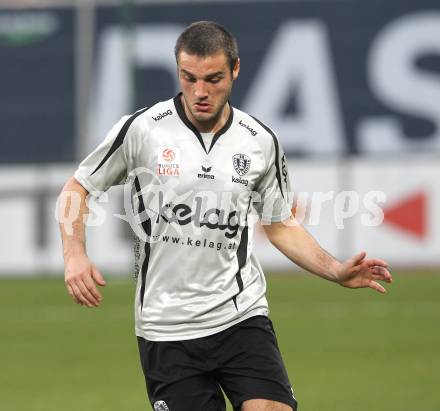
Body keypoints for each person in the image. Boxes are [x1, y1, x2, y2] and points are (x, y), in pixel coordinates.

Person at [58, 21, 392, 411]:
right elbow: (77, 189)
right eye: (189, 78)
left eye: (213, 78)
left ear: (235, 69)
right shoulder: (143, 130)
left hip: (240, 316)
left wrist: (335, 270)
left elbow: (280, 223)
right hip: (166, 328)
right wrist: (74, 254)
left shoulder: (259, 140)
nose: (200, 91)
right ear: (179, 71)